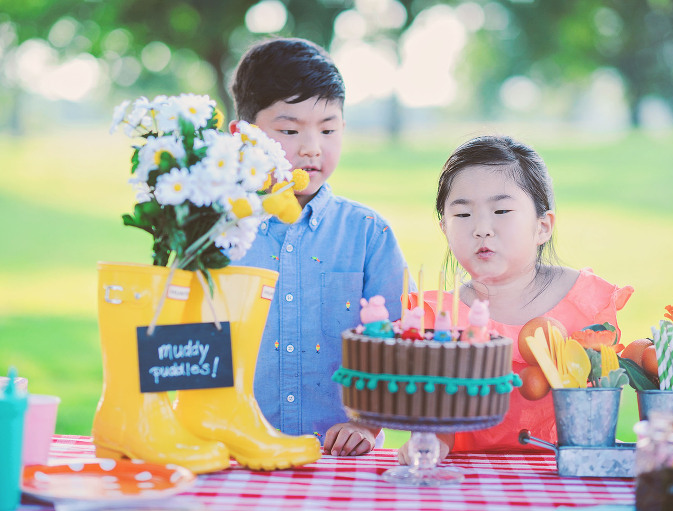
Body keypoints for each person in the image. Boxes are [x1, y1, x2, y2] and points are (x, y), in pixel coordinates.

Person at [398, 135, 633, 463]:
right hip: (466, 484)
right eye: (463, 215)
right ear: (445, 230)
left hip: (564, 478)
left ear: (542, 226)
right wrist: (429, 445)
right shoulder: (438, 318)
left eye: (502, 210)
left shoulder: (582, 304)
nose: (481, 228)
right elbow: (434, 415)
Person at [229, 37, 410, 457]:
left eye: (328, 129)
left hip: (340, 457)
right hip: (234, 449)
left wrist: (366, 423)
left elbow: (400, 342)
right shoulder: (215, 230)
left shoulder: (367, 233)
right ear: (245, 135)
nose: (312, 147)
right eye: (289, 130)